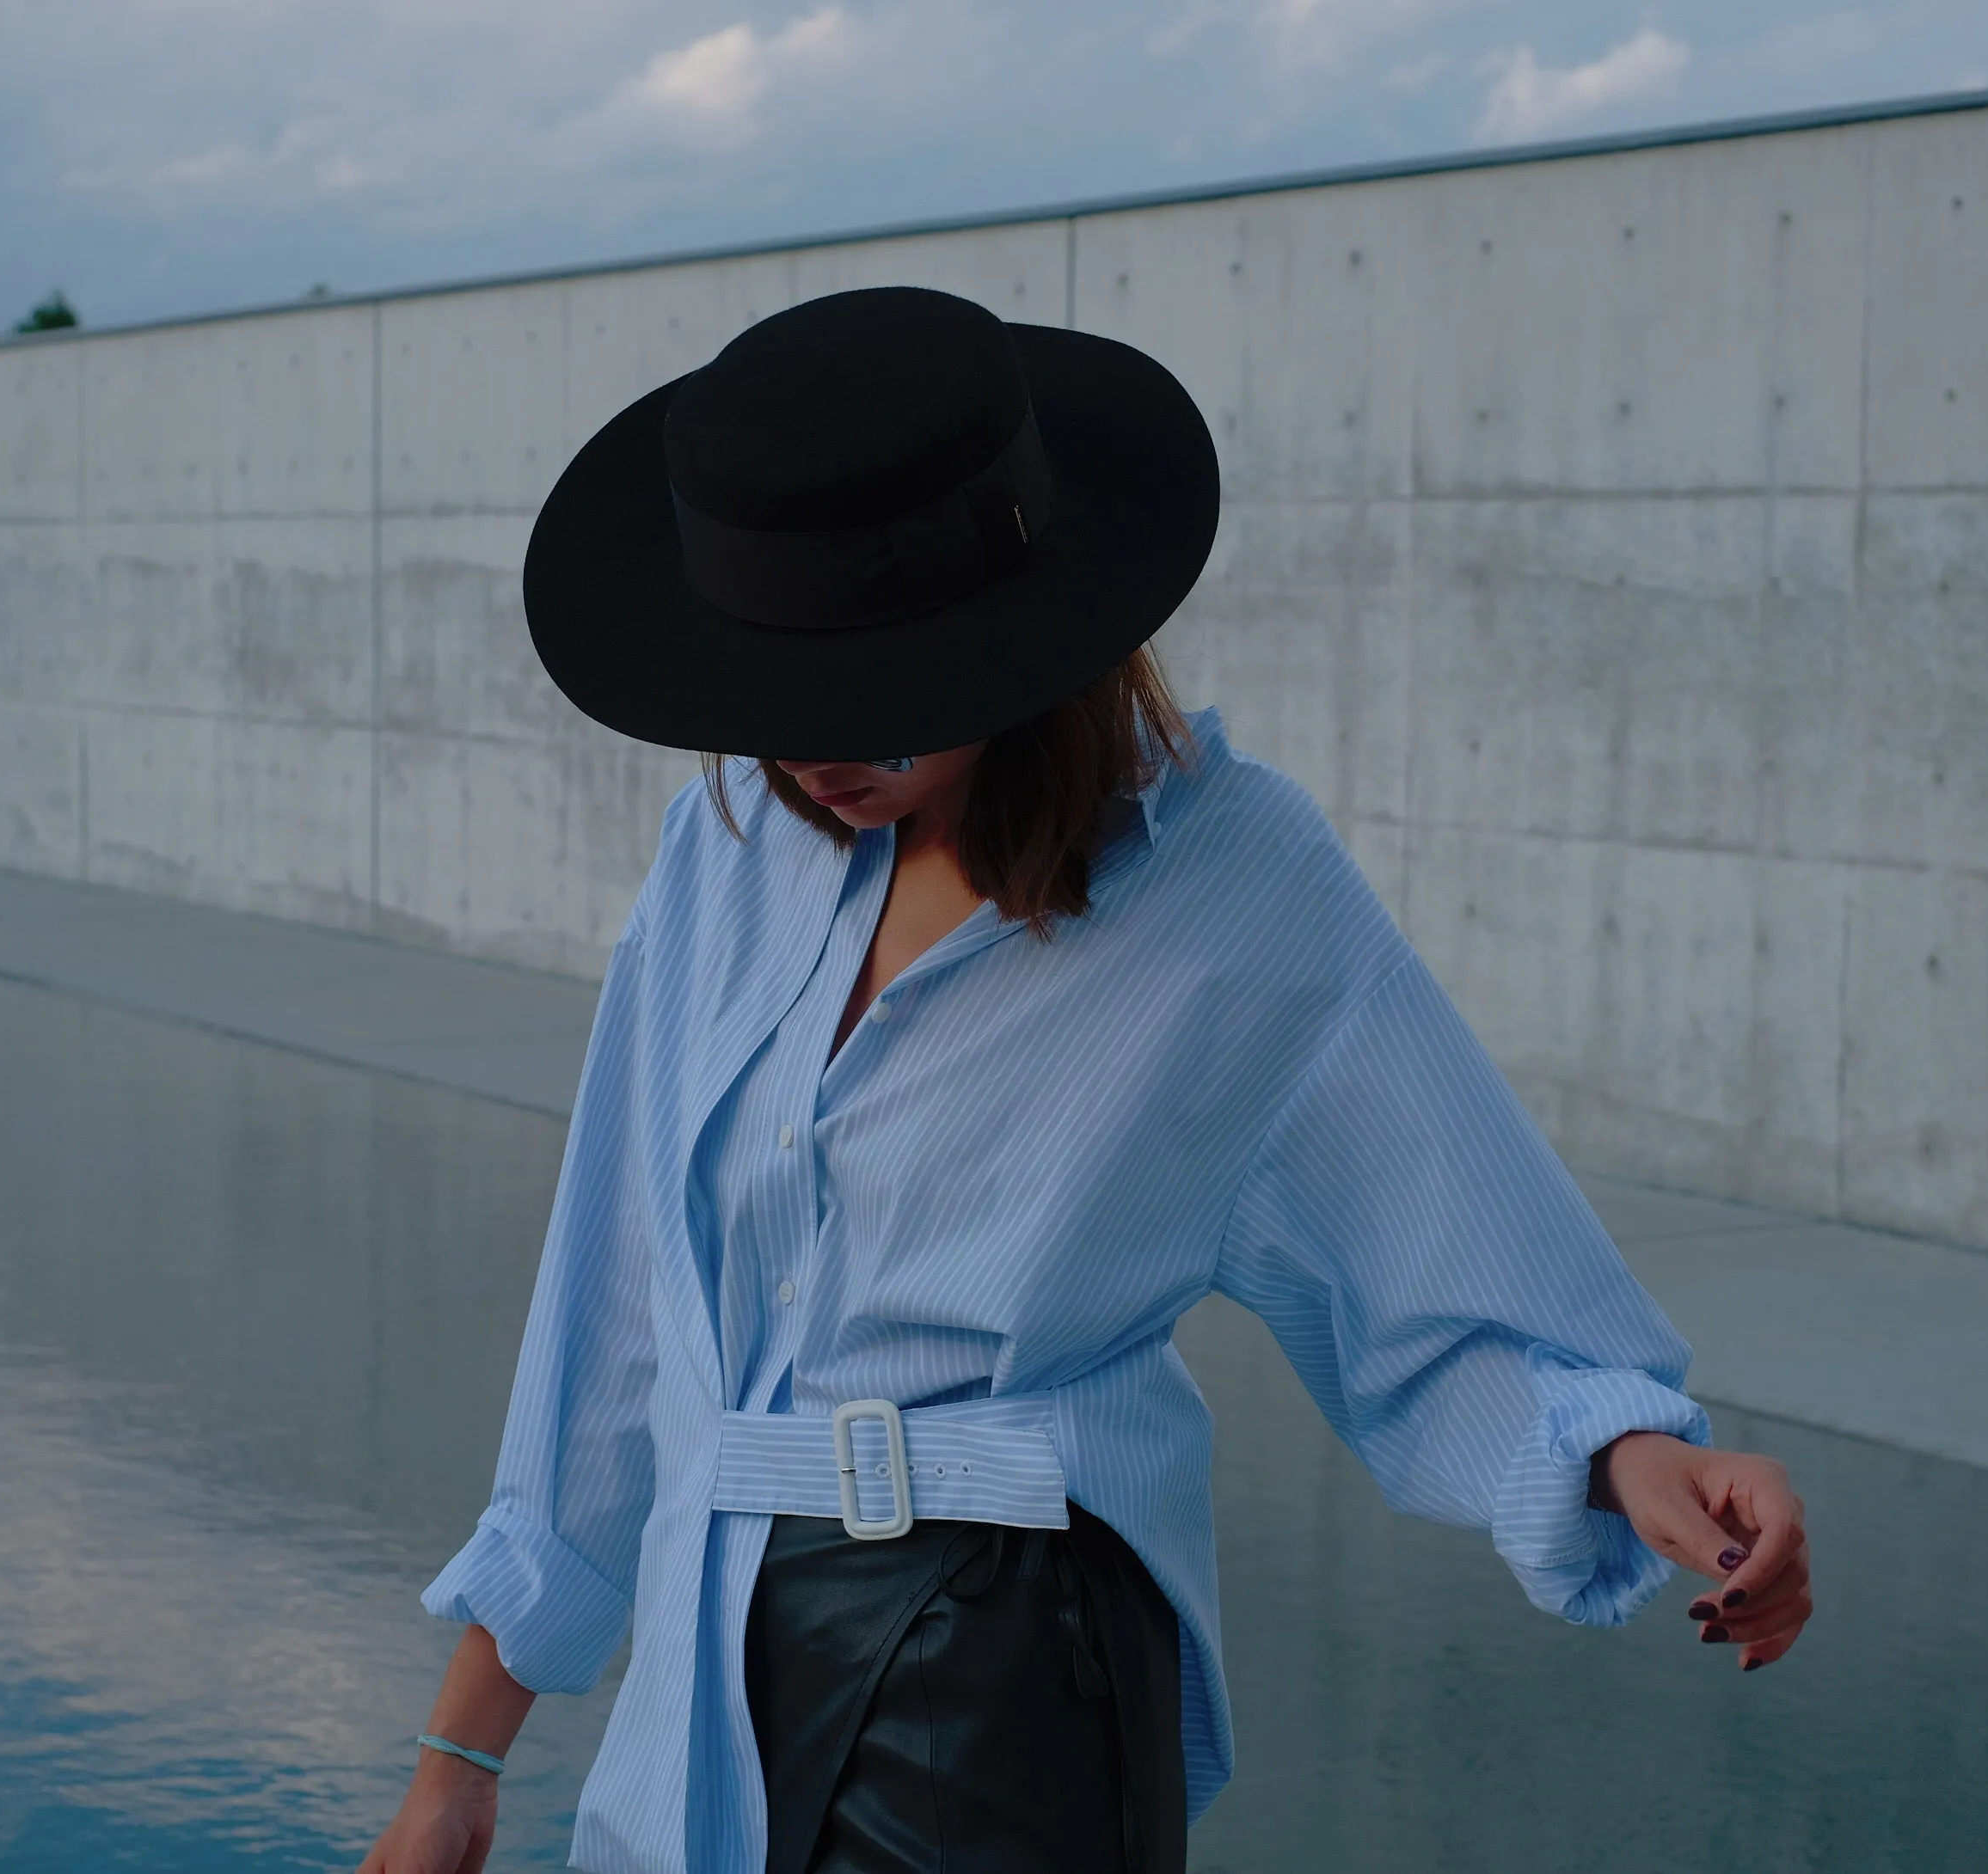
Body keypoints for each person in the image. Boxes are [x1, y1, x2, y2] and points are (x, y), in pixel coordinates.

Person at [359, 285, 1812, 1874]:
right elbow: (624, 1320)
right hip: (704, 1673)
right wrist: (458, 1754)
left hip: (1004, 1679)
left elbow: (1435, 1248)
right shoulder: (724, 859)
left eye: (863, 691)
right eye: (767, 696)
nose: (808, 754)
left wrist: (1631, 1452)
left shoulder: (1231, 880)